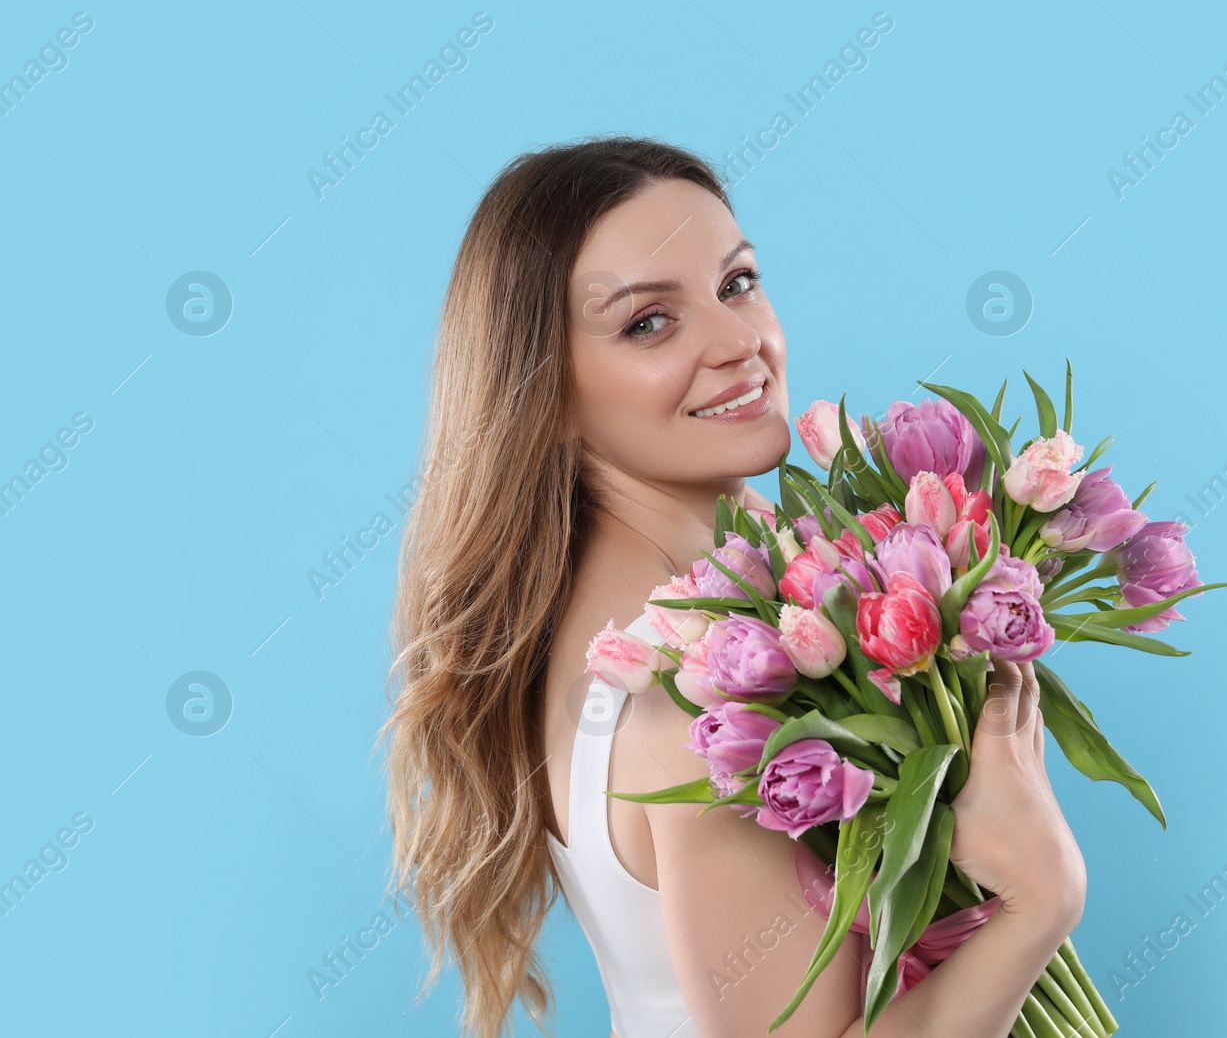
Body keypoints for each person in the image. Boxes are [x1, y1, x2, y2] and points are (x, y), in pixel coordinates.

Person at [380, 134, 1087, 1038]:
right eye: (647, 322)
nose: (738, 344)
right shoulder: (698, 695)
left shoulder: (726, 601)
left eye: (737, 282)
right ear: (546, 392)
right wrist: (1040, 900)